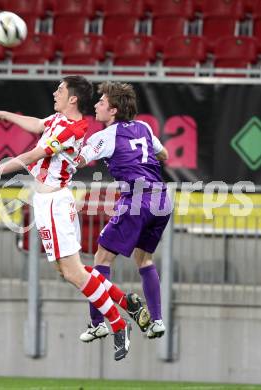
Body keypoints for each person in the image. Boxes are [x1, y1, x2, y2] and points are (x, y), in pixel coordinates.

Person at [0, 75, 148, 361]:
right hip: (44, 202)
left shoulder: (73, 129)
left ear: (73, 99)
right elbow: (38, 125)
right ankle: (124, 300)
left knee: (73, 272)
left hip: (55, 202)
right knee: (64, 270)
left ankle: (118, 325)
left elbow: (33, 155)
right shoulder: (57, 121)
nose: (55, 93)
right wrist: (6, 115)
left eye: (60, 89)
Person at [78, 81, 171, 343]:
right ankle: (157, 321)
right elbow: (162, 154)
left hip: (137, 200)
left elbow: (79, 160)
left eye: (102, 102)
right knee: (145, 260)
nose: (96, 105)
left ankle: (98, 324)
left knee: (102, 259)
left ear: (114, 110)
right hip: (161, 200)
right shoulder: (144, 128)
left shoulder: (105, 136)